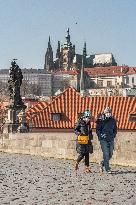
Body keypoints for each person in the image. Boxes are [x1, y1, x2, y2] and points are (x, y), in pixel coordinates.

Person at [96, 107, 117, 174]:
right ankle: (107, 169)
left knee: (110, 154)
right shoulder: (101, 120)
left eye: (109, 112)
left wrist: (113, 135)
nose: (108, 114)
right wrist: (101, 136)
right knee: (106, 154)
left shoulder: (113, 120)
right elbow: (98, 130)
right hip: (103, 140)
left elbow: (115, 129)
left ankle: (102, 163)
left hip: (111, 139)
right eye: (107, 112)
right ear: (104, 113)